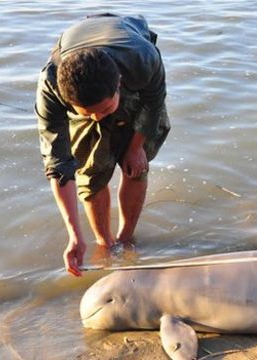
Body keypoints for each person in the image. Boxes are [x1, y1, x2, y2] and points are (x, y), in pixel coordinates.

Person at [35, 14, 170, 277]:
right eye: (88, 113)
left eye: (105, 109)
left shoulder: (143, 60)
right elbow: (58, 165)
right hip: (82, 74)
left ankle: (126, 238)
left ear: (118, 84)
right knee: (90, 171)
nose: (99, 118)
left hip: (131, 69)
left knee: (136, 165)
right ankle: (104, 242)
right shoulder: (50, 88)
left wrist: (135, 147)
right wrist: (74, 235)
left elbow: (154, 104)